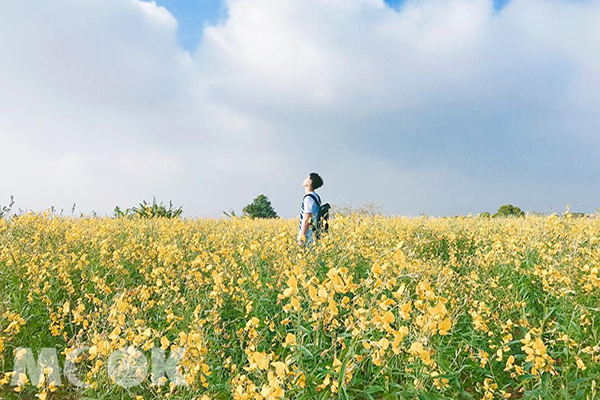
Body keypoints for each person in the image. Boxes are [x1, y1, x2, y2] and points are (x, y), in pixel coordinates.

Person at [297, 172, 323, 246]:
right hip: (313, 236)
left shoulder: (308, 198)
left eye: (307, 177)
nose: (304, 179)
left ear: (310, 182)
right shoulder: (316, 196)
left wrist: (301, 239)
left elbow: (306, 220)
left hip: (307, 238)